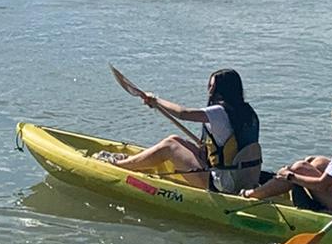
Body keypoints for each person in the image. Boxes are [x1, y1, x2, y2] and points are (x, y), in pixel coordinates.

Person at [106, 71, 262, 193]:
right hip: (245, 178)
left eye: (212, 85)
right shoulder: (247, 112)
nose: (209, 89)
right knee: (175, 139)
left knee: (169, 146)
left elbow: (183, 113)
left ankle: (120, 165)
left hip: (224, 184)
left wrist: (156, 100)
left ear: (222, 89)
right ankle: (133, 160)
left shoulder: (219, 112)